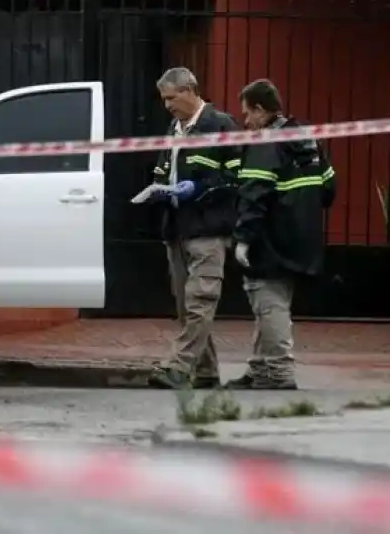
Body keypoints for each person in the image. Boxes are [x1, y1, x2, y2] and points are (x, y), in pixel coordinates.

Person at [226, 79, 335, 390]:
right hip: (302, 237)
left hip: (270, 239)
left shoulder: (266, 143)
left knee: (268, 300)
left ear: (261, 110)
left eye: (247, 114)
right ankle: (261, 369)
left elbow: (254, 193)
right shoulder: (306, 139)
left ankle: (279, 370)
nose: (246, 122)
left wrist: (244, 238)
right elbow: (328, 189)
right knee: (271, 300)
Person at [144, 67, 242, 390]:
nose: (168, 105)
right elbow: (162, 168)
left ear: (190, 90)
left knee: (201, 300)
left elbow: (235, 178)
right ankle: (206, 370)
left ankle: (179, 367)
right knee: (186, 307)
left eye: (172, 98)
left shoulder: (220, 125)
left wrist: (199, 189)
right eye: (164, 100)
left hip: (208, 229)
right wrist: (159, 188)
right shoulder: (173, 128)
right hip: (177, 228)